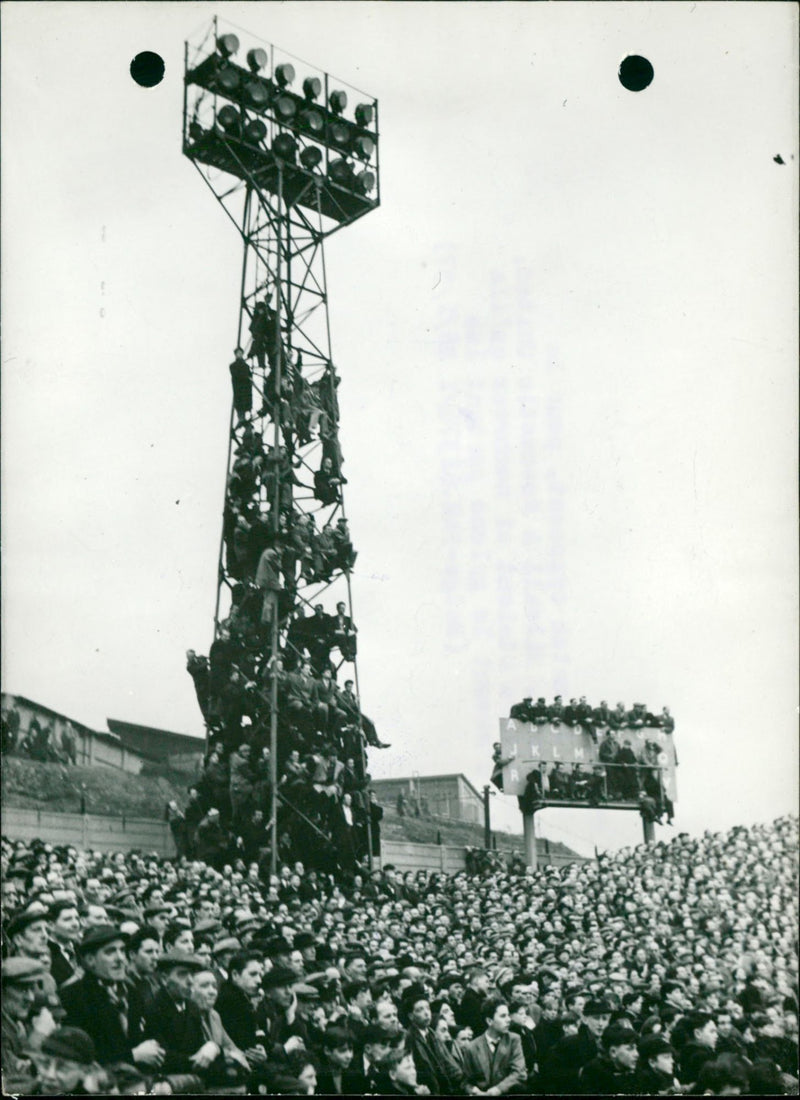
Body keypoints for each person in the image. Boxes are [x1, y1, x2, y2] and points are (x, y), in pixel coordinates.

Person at [59, 924, 166, 1071]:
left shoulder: (131, 992)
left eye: (122, 950)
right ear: (90, 960)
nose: (120, 958)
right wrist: (132, 1055)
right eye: (110, 952)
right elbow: (81, 1058)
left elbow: (150, 1039)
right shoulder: (73, 997)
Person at [461, 995, 526, 1095]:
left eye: (508, 1015)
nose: (508, 1019)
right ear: (489, 1021)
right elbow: (465, 1082)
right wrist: (474, 1090)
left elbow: (520, 1073)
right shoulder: (472, 1047)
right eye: (503, 1016)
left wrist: (498, 1089)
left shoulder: (514, 1040)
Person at [578, 1021, 640, 1095]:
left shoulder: (636, 1071)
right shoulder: (595, 1074)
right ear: (613, 1052)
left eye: (636, 1049)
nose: (637, 1054)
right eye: (630, 1049)